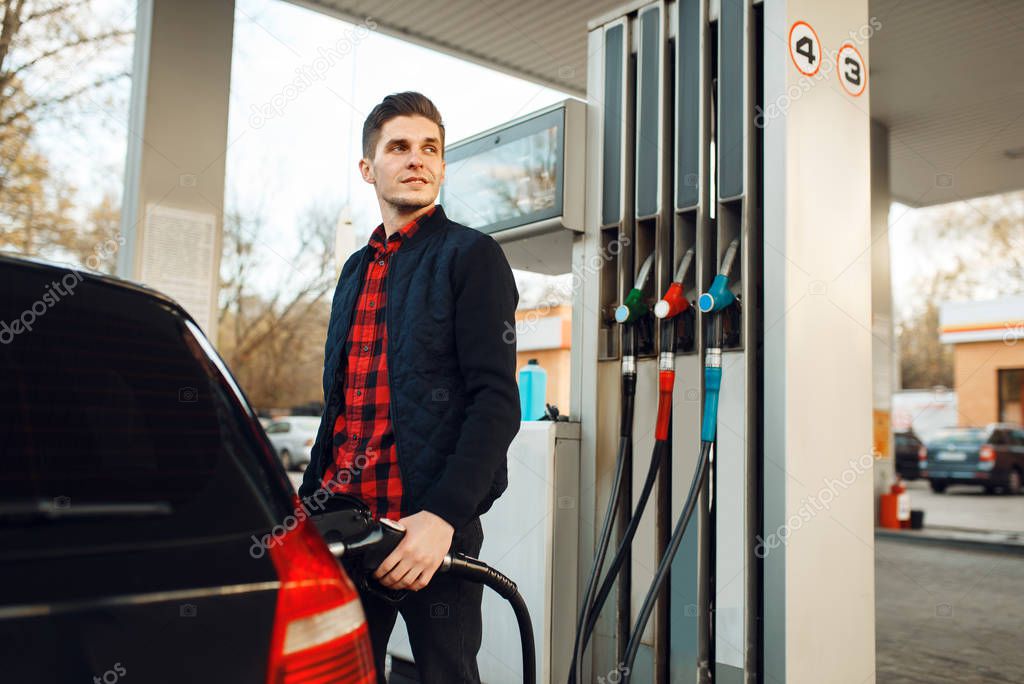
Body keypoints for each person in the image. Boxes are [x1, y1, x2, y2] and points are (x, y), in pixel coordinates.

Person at [298, 91, 521, 683]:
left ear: (443, 167)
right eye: (399, 147)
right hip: (343, 523)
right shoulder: (354, 270)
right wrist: (304, 505)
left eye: (430, 148)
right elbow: (341, 406)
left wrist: (442, 518)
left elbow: (496, 403)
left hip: (427, 533)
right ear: (369, 169)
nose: (417, 159)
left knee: (447, 674)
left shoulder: (472, 256)